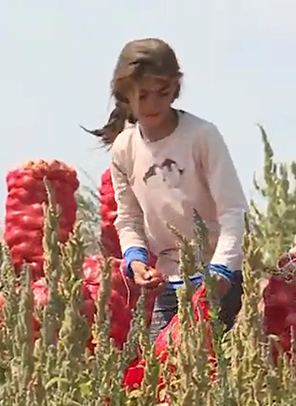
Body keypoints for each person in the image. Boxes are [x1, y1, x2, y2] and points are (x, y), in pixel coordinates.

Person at [84, 38, 249, 341]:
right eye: (142, 95)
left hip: (218, 281)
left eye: (162, 93)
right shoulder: (125, 148)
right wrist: (135, 262)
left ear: (176, 88)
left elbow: (233, 211)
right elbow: (129, 218)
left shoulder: (202, 136)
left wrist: (222, 271)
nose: (153, 105)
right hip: (169, 284)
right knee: (162, 376)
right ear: (125, 96)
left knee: (214, 371)